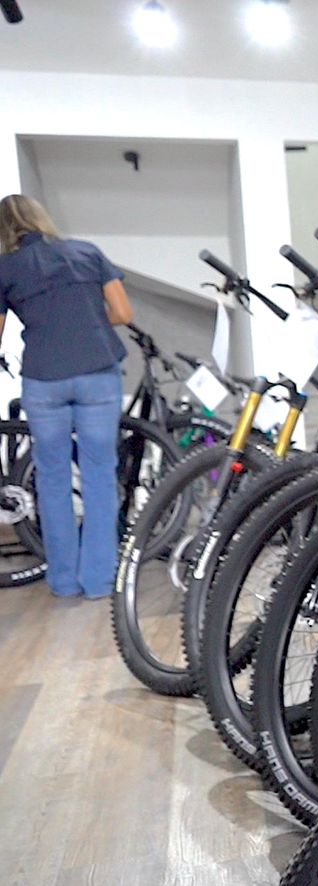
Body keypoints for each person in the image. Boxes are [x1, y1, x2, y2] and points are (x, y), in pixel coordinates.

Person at [0, 195, 133, 599]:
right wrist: (85, 320)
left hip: (44, 380)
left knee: (53, 477)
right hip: (97, 372)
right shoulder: (86, 252)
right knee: (99, 475)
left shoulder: (5, 267)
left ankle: (63, 580)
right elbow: (123, 313)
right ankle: (99, 580)